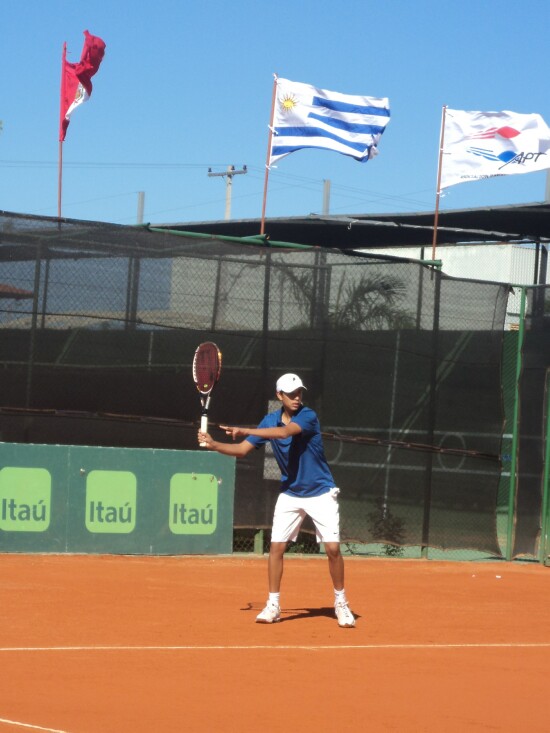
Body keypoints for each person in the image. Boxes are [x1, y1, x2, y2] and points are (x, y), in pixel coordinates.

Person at [197, 372, 355, 628]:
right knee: (276, 548)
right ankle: (273, 605)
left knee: (333, 550)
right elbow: (242, 450)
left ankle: (341, 602)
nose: (296, 397)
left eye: (299, 392)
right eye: (291, 394)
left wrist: (246, 429)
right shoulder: (269, 420)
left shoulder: (308, 416)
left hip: (321, 492)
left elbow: (285, 434)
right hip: (291, 493)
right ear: (279, 396)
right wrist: (215, 444)